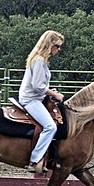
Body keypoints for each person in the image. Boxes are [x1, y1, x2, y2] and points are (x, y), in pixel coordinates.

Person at [19, 30, 65, 173]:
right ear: (49, 44)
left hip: (35, 97)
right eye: (57, 46)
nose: (58, 49)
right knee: (50, 126)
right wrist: (54, 94)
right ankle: (35, 159)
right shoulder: (39, 60)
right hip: (30, 99)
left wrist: (50, 92)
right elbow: (37, 85)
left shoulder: (40, 60)